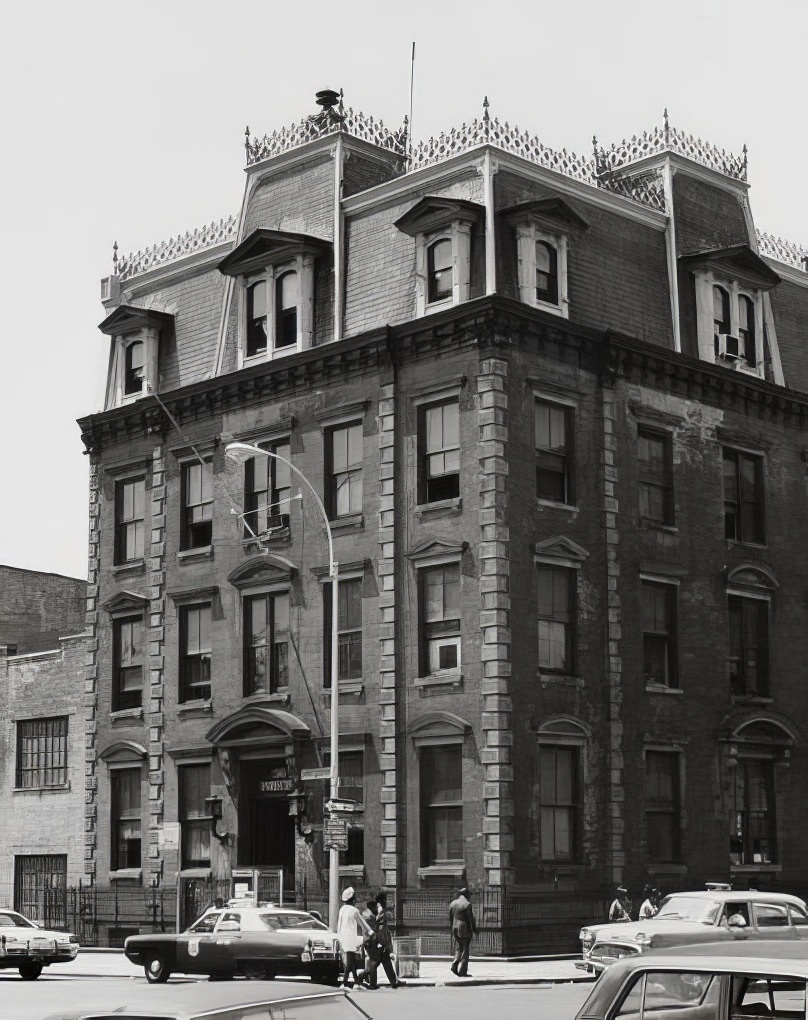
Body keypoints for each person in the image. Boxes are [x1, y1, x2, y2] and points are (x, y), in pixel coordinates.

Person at [336, 887, 372, 988]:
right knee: (350, 960)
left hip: (343, 936)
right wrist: (371, 932)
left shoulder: (342, 909)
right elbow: (363, 924)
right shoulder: (354, 910)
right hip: (351, 937)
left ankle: (356, 982)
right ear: (353, 900)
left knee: (351, 960)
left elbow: (339, 924)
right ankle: (345, 982)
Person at [373, 891, 402, 988]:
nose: (387, 901)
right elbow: (380, 926)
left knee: (384, 961)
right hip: (381, 940)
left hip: (382, 939)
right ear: (382, 900)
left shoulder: (379, 908)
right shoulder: (380, 909)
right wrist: (383, 942)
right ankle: (363, 975)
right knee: (380, 961)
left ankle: (394, 981)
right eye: (385, 899)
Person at [449, 886, 477, 976]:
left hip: (455, 927)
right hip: (464, 928)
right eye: (469, 895)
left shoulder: (453, 903)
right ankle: (463, 971)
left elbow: (450, 918)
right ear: (467, 895)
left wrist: (452, 928)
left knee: (459, 947)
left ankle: (454, 963)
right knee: (466, 949)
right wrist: (474, 929)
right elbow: (470, 919)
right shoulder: (467, 904)